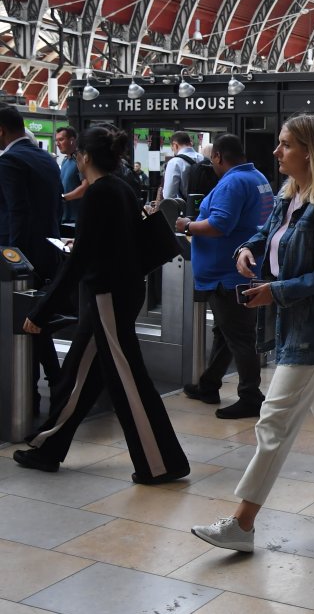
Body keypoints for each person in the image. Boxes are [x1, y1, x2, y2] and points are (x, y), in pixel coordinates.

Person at [191, 115, 314, 553]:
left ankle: (243, 523)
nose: (277, 152)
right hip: (294, 325)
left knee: (273, 422)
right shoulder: (292, 195)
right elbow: (267, 234)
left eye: (285, 145)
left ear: (310, 151)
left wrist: (275, 291)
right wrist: (248, 249)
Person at [13, 124, 190, 484]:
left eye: (77, 154)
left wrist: (42, 309)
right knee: (80, 374)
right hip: (119, 292)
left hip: (108, 295)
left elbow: (80, 260)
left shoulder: (100, 193)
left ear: (85, 157)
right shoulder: (121, 187)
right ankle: (48, 449)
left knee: (127, 377)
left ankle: (160, 463)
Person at [174, 134, 274, 419]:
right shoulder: (257, 177)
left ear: (218, 156)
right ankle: (209, 384)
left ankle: (251, 395)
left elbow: (219, 224)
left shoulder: (232, 182)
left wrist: (188, 225)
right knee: (227, 332)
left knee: (239, 336)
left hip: (228, 274)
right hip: (240, 269)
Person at [0, 105, 64, 412]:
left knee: (23, 323)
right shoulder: (46, 158)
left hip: (19, 257)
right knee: (36, 324)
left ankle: (34, 392)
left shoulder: (10, 160)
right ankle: (52, 383)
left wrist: (14, 260)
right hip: (46, 252)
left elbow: (17, 212)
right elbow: (57, 208)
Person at [159, 131, 203, 201]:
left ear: (175, 145)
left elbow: (169, 195)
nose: (173, 150)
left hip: (185, 207)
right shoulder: (202, 158)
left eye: (172, 148)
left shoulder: (175, 162)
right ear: (189, 142)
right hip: (204, 205)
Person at [55, 126, 85, 222]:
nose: (57, 144)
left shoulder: (80, 159)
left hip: (77, 219)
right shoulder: (65, 161)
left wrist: (63, 198)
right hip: (64, 218)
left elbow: (85, 187)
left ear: (72, 140)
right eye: (56, 140)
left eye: (61, 140)